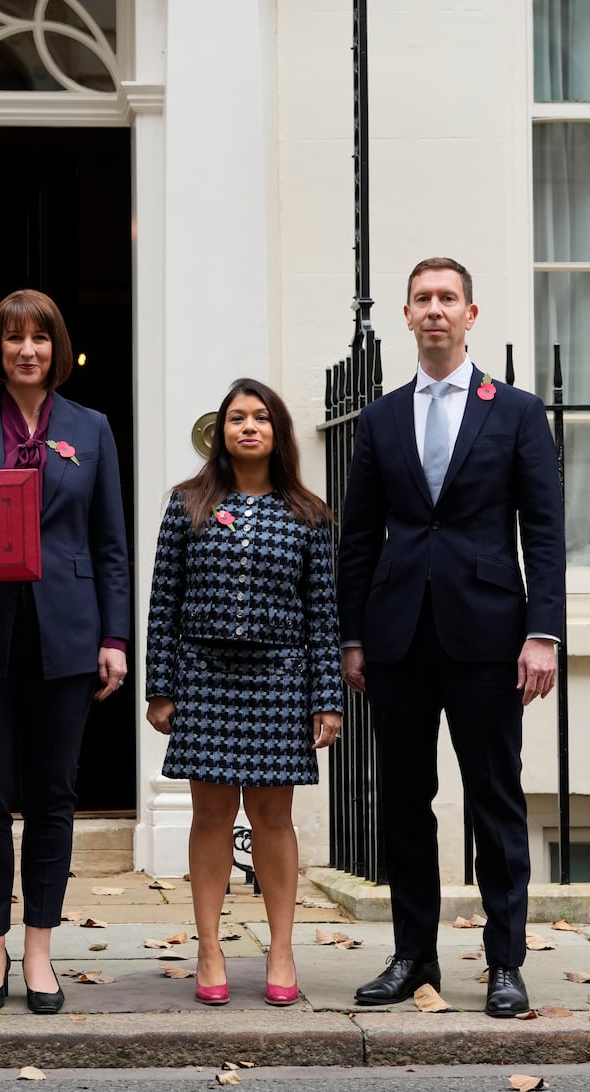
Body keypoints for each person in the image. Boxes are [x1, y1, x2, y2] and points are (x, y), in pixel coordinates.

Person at [337, 257, 564, 1018]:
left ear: (472, 314)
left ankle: (505, 962)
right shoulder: (379, 417)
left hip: (491, 635)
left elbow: (546, 530)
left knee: (494, 801)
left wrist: (544, 632)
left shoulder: (518, 413)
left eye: (448, 298)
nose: (435, 309)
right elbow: (359, 538)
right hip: (399, 636)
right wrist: (351, 637)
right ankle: (413, 956)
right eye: (423, 299)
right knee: (403, 800)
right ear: (405, 315)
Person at [0, 288, 129, 1016]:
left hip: (67, 635)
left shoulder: (92, 429)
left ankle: (39, 949)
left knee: (54, 794)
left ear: (58, 347)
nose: (28, 351)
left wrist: (114, 638)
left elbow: (109, 544)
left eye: (40, 338)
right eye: (13, 339)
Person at [142, 378, 342, 1008]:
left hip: (280, 681)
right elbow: (162, 603)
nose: (248, 427)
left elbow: (323, 614)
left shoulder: (309, 514)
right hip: (204, 678)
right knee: (210, 816)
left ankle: (281, 948)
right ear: (220, 430)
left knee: (273, 817)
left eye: (260, 418)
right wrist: (161, 686)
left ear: (277, 432)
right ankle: (208, 946)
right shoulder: (187, 504)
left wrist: (327, 697)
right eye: (236, 418)